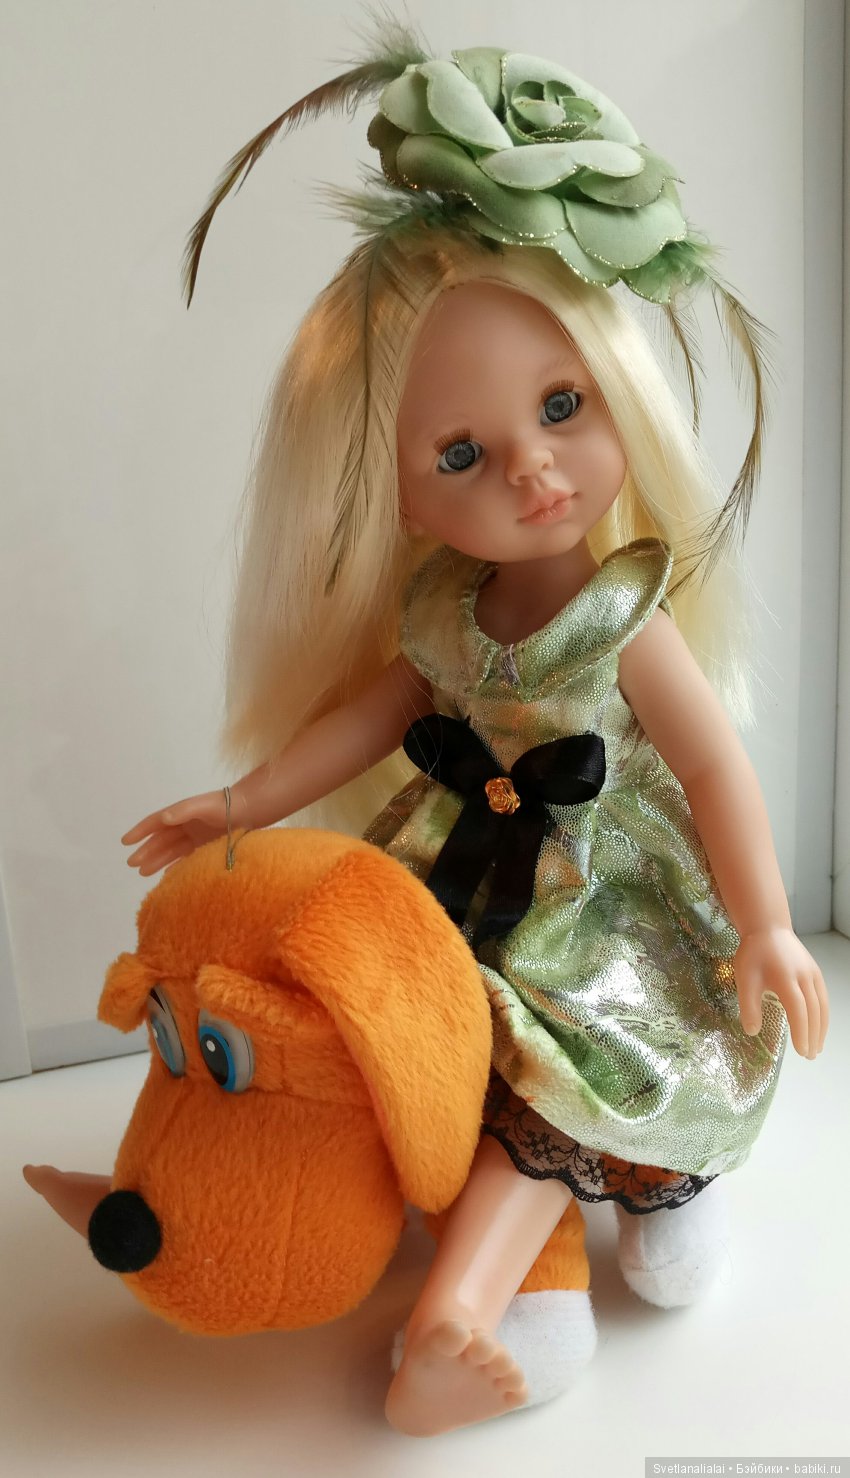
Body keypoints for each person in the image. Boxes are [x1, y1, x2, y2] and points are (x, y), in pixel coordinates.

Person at [25, 32, 829, 1438]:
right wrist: (242, 801)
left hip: (602, 912)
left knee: (558, 1079)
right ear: (396, 496)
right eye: (461, 454)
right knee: (375, 1030)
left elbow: (711, 764)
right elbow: (365, 719)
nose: (532, 467)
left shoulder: (626, 621)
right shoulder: (444, 617)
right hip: (455, 886)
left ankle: (474, 1298)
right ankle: (227, 1212)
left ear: (618, 392)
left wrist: (763, 924)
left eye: (561, 407)